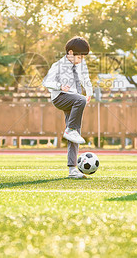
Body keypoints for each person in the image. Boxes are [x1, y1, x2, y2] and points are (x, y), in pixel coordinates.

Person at [42, 36, 93, 179]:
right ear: (70, 52)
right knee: (72, 128)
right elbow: (46, 82)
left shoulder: (81, 65)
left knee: (75, 133)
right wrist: (59, 86)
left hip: (75, 99)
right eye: (80, 56)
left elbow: (85, 79)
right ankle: (70, 130)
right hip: (60, 98)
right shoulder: (58, 66)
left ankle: (72, 170)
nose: (82, 59)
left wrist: (89, 92)